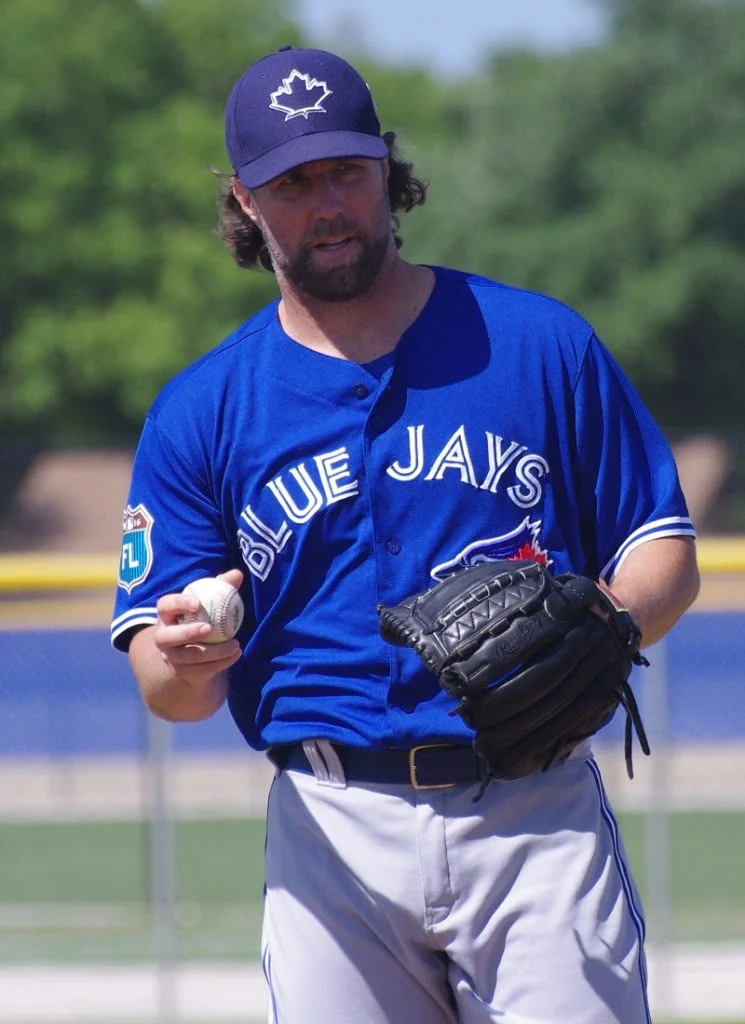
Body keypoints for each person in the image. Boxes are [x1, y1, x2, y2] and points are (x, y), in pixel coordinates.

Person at [112, 45, 700, 1024]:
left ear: (387, 168)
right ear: (247, 203)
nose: (327, 203)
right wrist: (184, 656)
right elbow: (167, 690)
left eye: (346, 169)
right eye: (293, 182)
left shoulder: (537, 345)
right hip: (331, 827)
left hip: (531, 805)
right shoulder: (201, 411)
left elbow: (663, 551)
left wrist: (604, 613)